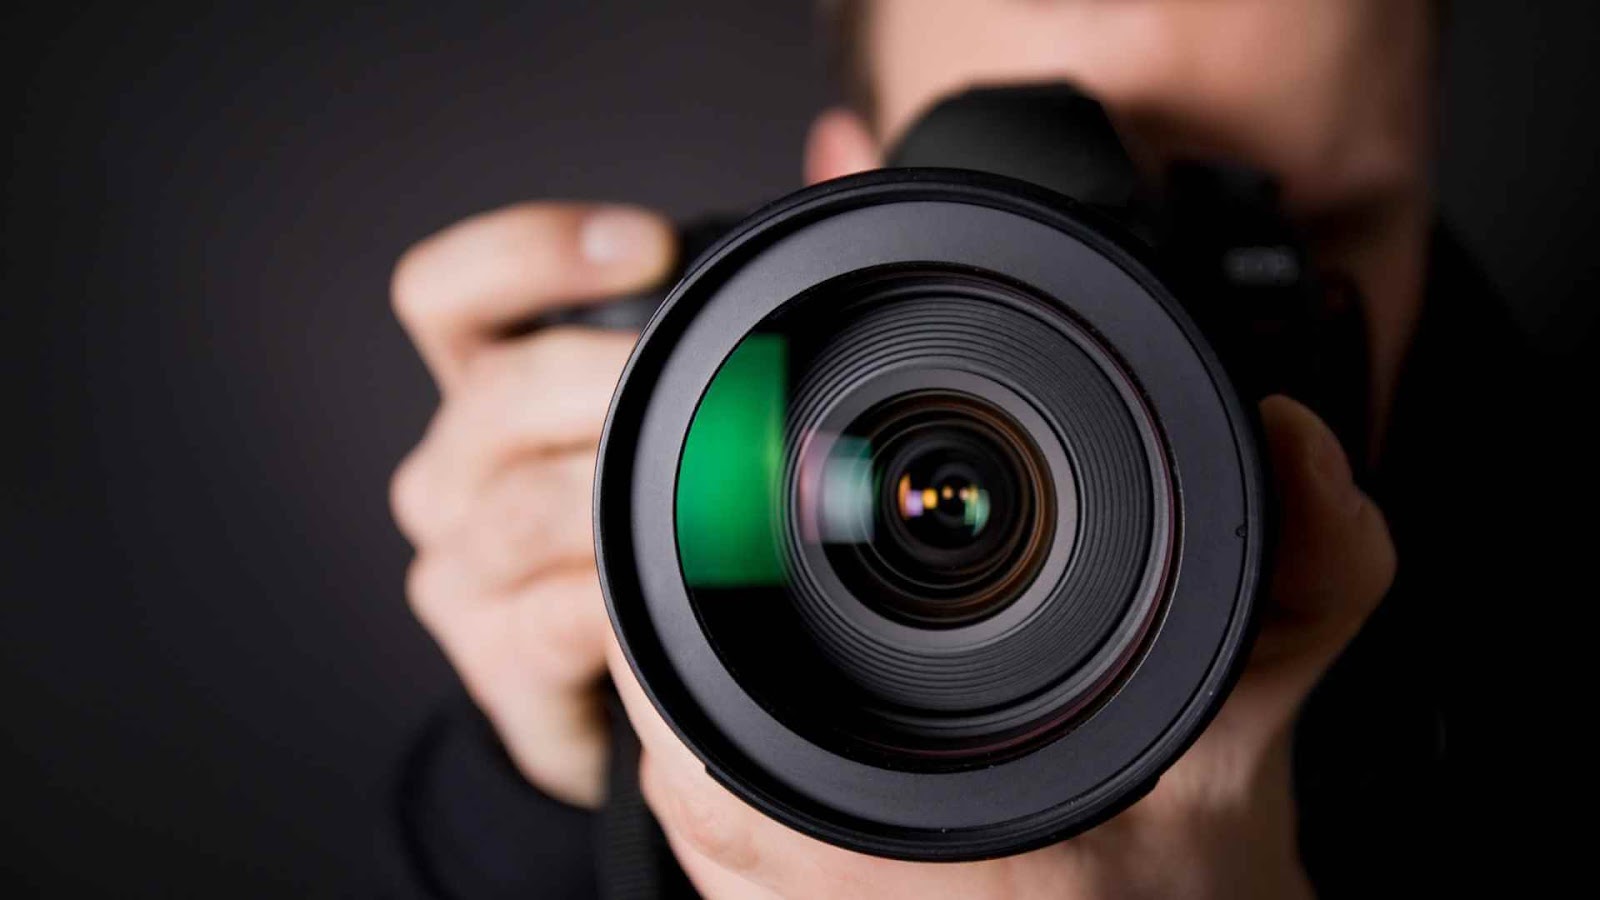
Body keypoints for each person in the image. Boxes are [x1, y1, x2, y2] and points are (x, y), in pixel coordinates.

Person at [383, 1, 1571, 896]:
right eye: (1037, 228)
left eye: (1293, 232)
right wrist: (560, 800)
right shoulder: (718, 426)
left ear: (1420, 192)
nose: (1160, 337)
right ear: (854, 190)